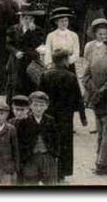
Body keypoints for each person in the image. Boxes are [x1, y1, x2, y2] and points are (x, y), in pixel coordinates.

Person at [38, 49, 86, 181]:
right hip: (65, 117)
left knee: (50, 143)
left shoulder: (45, 75)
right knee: (65, 145)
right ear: (64, 60)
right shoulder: (70, 76)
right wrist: (83, 117)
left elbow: (40, 96)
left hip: (48, 116)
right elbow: (78, 99)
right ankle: (62, 173)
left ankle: (49, 172)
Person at [83, 36, 107, 175]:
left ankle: (98, 160)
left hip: (96, 103)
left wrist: (94, 94)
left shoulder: (94, 58)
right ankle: (102, 164)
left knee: (100, 133)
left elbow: (85, 78)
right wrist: (99, 94)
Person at [16, 91, 59, 185]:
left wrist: (55, 154)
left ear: (46, 106)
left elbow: (56, 139)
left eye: (41, 105)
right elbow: (20, 142)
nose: (38, 108)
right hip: (31, 157)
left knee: (50, 182)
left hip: (47, 156)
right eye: (35, 105)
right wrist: (23, 158)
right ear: (30, 106)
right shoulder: (24, 122)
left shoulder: (50, 121)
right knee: (30, 181)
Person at [5, 5, 45, 105]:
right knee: (15, 85)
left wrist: (31, 32)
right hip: (16, 61)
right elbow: (8, 44)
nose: (27, 21)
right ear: (21, 18)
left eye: (30, 19)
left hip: (30, 61)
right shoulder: (14, 29)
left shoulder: (38, 30)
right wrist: (15, 52)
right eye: (25, 18)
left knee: (30, 84)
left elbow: (38, 44)